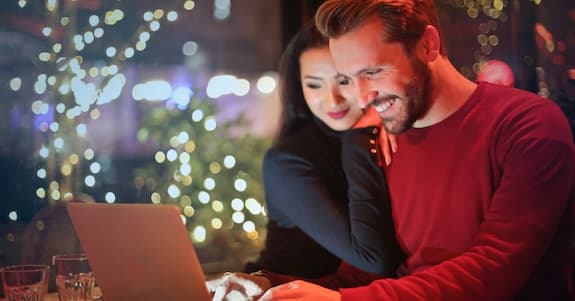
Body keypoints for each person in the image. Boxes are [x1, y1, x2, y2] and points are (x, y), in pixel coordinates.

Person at [253, 0, 575, 300]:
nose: (362, 98)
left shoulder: (527, 126)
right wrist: (267, 287)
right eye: (350, 79)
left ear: (428, 45)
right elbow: (363, 278)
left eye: (372, 72)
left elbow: (494, 270)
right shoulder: (387, 137)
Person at [207, 24, 404, 299]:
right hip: (278, 294)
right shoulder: (288, 162)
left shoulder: (388, 135)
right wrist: (360, 136)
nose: (332, 100)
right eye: (313, 84)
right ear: (299, 88)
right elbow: (373, 258)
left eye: (343, 81)